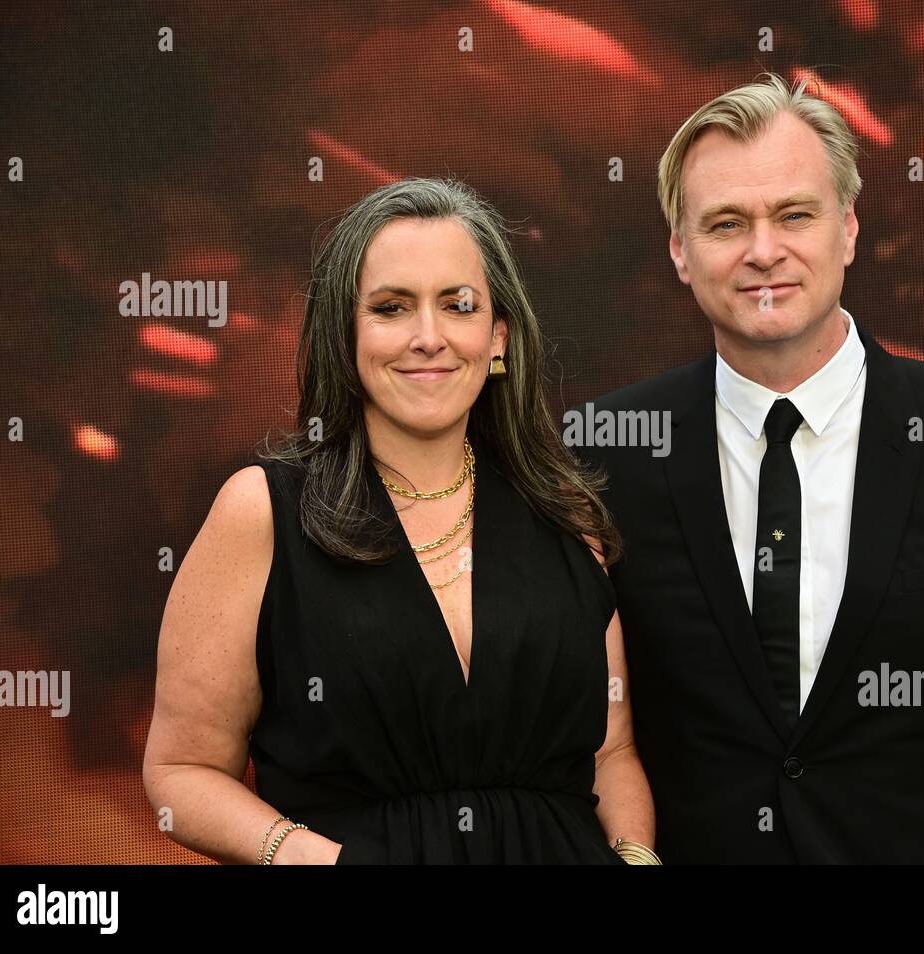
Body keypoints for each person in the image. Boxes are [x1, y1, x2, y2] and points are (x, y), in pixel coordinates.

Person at [572, 73, 924, 863]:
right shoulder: (603, 451)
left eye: (794, 215)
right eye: (726, 222)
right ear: (679, 250)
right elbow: (571, 735)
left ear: (848, 229)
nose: (763, 250)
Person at [143, 177, 656, 864]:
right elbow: (181, 774)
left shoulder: (566, 519)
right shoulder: (263, 512)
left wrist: (636, 857)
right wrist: (321, 863)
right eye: (390, 308)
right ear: (345, 334)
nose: (428, 337)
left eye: (458, 305)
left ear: (497, 337)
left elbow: (611, 751)